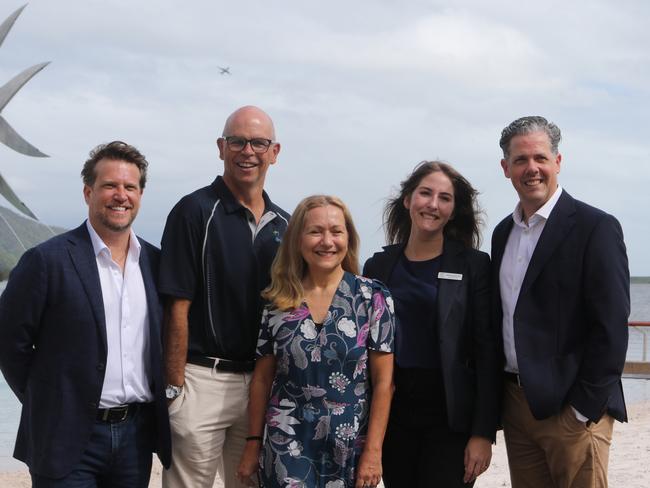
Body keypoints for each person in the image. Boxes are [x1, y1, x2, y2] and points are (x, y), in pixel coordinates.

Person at [0, 141, 171, 486]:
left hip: (135, 439)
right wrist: (49, 399)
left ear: (140, 195)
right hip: (64, 436)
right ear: (88, 192)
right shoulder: (47, 261)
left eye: (130, 187)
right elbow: (8, 344)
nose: (120, 195)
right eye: (110, 185)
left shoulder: (156, 263)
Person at [492, 116, 630, 487]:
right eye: (520, 160)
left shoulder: (595, 227)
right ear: (506, 168)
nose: (531, 168)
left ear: (558, 162)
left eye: (540, 157)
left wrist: (584, 409)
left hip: (574, 407)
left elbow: (612, 325)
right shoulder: (502, 233)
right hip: (518, 408)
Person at [160, 106, 290, 488]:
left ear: (274, 152)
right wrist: (174, 389)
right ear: (221, 147)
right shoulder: (193, 211)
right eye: (237, 141)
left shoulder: (285, 225)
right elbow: (176, 306)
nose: (247, 151)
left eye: (258, 142)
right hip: (202, 379)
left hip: (261, 385)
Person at [236, 195, 395, 488]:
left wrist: (373, 452)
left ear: (348, 237)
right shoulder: (277, 303)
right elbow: (261, 380)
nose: (327, 241)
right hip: (287, 444)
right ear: (298, 239)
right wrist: (252, 443)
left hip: (350, 446)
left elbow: (384, 383)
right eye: (315, 231)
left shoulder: (372, 297)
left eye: (336, 231)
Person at [363, 161, 500, 487]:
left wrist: (483, 433)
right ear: (408, 200)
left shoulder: (475, 266)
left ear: (453, 211)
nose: (433, 204)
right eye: (425, 193)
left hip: (450, 417)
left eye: (445, 198)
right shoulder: (378, 265)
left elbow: (488, 352)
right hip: (392, 414)